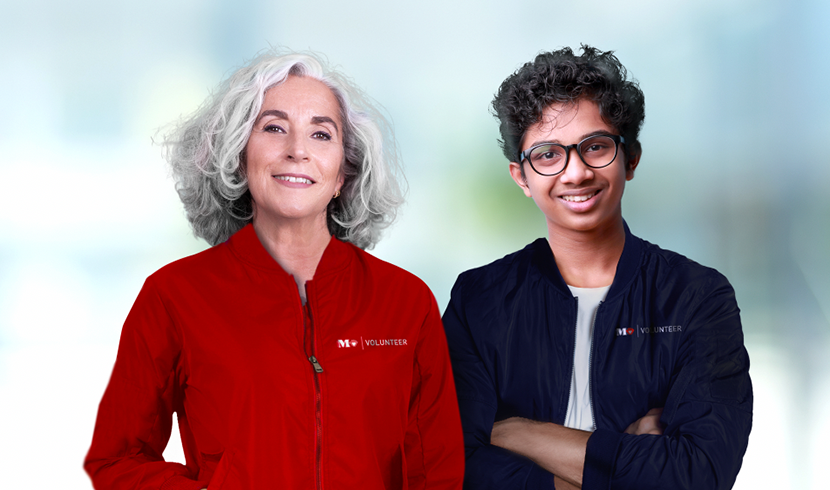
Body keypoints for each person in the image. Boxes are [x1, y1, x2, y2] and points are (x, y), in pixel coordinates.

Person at [85, 50, 465, 489]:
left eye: (321, 134)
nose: (297, 150)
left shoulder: (405, 301)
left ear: (344, 172)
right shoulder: (174, 296)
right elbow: (117, 458)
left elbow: (437, 472)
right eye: (274, 128)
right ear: (238, 155)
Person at [442, 45, 752, 489]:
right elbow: (451, 465)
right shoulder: (480, 299)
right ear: (521, 177)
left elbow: (698, 473)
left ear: (631, 159)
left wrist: (514, 431)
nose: (576, 173)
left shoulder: (696, 296)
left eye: (596, 147)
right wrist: (621, 466)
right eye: (548, 154)